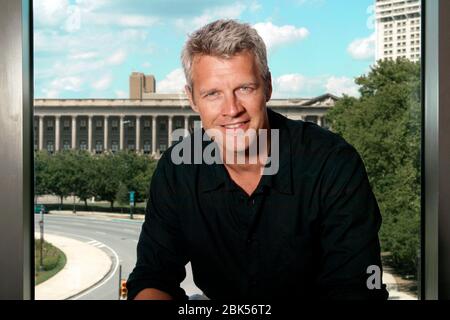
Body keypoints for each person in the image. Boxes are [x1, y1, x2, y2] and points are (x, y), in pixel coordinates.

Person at [127, 19, 388, 300]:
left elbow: (358, 289)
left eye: (245, 89)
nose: (232, 109)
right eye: (213, 93)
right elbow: (153, 275)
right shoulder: (178, 169)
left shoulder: (333, 164)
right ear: (192, 100)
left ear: (268, 87)